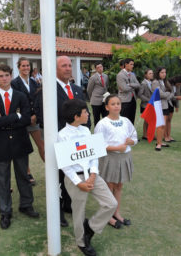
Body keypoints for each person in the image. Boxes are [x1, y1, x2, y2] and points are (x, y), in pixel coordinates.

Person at [34, 55, 90, 227]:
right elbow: (44, 117)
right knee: (57, 178)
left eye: (69, 65)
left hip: (77, 143)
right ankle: (57, 212)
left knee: (72, 174)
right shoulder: (46, 91)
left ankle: (68, 205)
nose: (67, 68)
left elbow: (86, 115)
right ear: (56, 69)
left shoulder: (77, 89)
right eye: (63, 65)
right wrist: (65, 134)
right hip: (59, 142)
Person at [58, 99, 117, 256]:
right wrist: (79, 183)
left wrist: (93, 174)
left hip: (92, 175)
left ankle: (90, 229)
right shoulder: (62, 136)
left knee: (111, 203)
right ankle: (81, 242)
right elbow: (65, 165)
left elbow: (93, 155)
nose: (88, 114)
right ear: (76, 116)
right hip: (74, 179)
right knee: (79, 212)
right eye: (85, 112)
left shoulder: (85, 131)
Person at [0, 64, 39, 230]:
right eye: (0, 76)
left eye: (7, 75)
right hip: (2, 143)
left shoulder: (21, 96)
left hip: (20, 140)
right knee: (2, 178)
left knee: (23, 174)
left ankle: (26, 204)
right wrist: (15, 116)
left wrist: (7, 118)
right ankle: (5, 211)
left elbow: (26, 120)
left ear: (11, 76)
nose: (4, 78)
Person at [94, 95, 137, 230]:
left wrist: (132, 141)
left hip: (124, 157)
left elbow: (134, 137)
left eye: (118, 103)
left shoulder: (126, 121)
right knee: (109, 186)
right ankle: (108, 216)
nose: (116, 106)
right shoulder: (102, 124)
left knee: (119, 186)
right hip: (110, 158)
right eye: (113, 104)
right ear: (107, 107)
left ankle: (116, 213)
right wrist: (117, 148)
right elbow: (98, 145)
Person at [11, 57, 45, 186]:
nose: (26, 68)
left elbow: (38, 100)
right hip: (21, 121)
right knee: (24, 148)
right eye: (23, 66)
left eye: (27, 66)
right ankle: (27, 173)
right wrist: (26, 117)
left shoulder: (34, 82)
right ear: (18, 67)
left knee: (41, 145)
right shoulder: (14, 83)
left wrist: (35, 115)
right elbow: (15, 104)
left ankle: (52, 170)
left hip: (34, 119)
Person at [152, 67, 181, 151]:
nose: (164, 74)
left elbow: (171, 92)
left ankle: (160, 141)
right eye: (162, 72)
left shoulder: (165, 82)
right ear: (158, 73)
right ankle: (158, 144)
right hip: (158, 105)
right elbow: (161, 94)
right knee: (160, 125)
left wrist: (168, 94)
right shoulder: (155, 82)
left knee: (163, 125)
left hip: (165, 105)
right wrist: (169, 94)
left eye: (165, 72)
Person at [117, 58, 140, 124]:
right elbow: (124, 88)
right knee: (124, 120)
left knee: (132, 119)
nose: (133, 66)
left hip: (133, 99)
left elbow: (138, 85)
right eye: (131, 64)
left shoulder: (132, 74)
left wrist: (129, 84)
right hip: (124, 100)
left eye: (133, 64)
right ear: (126, 64)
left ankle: (130, 133)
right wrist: (133, 86)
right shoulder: (120, 75)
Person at [87, 61, 109, 126]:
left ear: (103, 67)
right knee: (96, 118)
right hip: (95, 101)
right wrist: (92, 98)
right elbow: (89, 90)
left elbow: (106, 86)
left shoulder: (106, 76)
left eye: (101, 67)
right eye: (98, 67)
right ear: (96, 69)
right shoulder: (93, 78)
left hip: (104, 100)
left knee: (106, 117)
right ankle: (97, 133)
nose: (100, 68)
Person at [166, 75, 181, 142]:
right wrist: (176, 98)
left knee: (169, 120)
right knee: (166, 120)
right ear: (176, 81)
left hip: (172, 103)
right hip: (166, 103)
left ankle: (169, 135)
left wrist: (177, 106)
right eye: (179, 84)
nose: (179, 85)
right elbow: (169, 95)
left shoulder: (178, 86)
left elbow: (177, 94)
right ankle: (165, 136)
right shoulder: (167, 83)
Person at [138, 69, 154, 140]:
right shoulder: (143, 83)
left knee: (151, 120)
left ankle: (150, 134)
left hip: (152, 105)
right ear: (146, 75)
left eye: (152, 73)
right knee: (147, 120)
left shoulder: (152, 83)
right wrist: (148, 100)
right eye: (150, 73)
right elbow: (140, 94)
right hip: (145, 105)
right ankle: (145, 134)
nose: (151, 75)